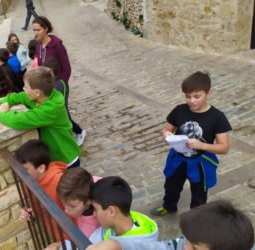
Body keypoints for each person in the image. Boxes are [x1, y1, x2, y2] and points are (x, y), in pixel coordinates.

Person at [151, 71, 232, 217]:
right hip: (178, 158)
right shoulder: (179, 110)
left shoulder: (218, 117)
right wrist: (166, 134)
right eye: (188, 97)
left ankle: (196, 217)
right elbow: (167, 127)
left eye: (197, 96)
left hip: (200, 163)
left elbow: (224, 147)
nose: (192, 101)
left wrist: (202, 146)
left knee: (199, 192)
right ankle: (169, 207)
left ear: (208, 94)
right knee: (171, 186)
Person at [0, 66, 80, 168]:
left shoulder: (51, 109)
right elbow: (16, 97)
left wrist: (4, 113)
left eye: (26, 87)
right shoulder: (41, 97)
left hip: (66, 159)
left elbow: (20, 121)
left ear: (37, 92)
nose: (23, 89)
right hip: (56, 157)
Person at [47, 176, 158, 250]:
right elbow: (87, 243)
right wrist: (59, 246)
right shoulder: (110, 227)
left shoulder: (141, 244)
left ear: (111, 211)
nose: (94, 214)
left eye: (95, 209)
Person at [107, 200, 255, 250]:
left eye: (194, 248)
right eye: (187, 240)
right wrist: (117, 244)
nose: (185, 247)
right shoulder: (193, 241)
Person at [16, 139, 74, 241]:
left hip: (72, 237)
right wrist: (31, 213)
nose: (20, 174)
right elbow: (40, 208)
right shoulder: (28, 181)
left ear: (41, 168)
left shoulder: (60, 182)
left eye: (25, 170)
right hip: (57, 235)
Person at [43, 58, 86, 146]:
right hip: (59, 105)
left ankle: (80, 132)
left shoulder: (58, 84)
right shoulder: (52, 82)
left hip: (61, 105)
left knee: (67, 119)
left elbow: (58, 99)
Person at [56, 168, 101, 237]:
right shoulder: (95, 181)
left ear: (87, 201)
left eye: (72, 206)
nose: (66, 210)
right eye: (64, 202)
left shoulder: (87, 231)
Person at [33, 16, 71, 83]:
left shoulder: (57, 45)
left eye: (38, 30)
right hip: (46, 86)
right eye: (34, 30)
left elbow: (67, 69)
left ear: (46, 29)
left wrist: (60, 85)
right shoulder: (38, 45)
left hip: (58, 85)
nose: (36, 33)